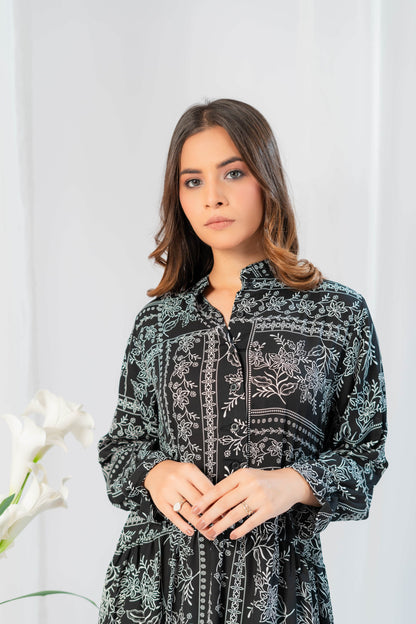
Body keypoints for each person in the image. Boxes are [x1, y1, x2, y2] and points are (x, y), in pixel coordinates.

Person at [97, 98, 388, 624]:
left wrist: (291, 483)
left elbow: (364, 456)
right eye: (193, 182)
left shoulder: (338, 314)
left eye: (233, 173)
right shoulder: (159, 322)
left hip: (278, 594)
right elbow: (121, 446)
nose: (213, 196)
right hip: (154, 593)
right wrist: (154, 472)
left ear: (266, 179)